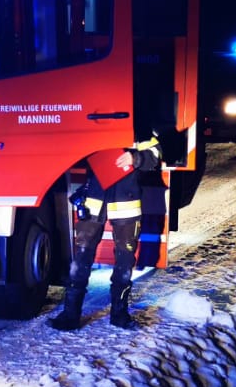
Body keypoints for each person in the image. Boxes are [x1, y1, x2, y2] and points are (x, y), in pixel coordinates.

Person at [49, 135, 162, 331]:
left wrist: (135, 158)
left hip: (126, 206)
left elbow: (156, 154)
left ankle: (119, 315)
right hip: (93, 203)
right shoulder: (93, 127)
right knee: (80, 261)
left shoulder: (138, 129)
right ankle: (70, 316)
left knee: (124, 263)